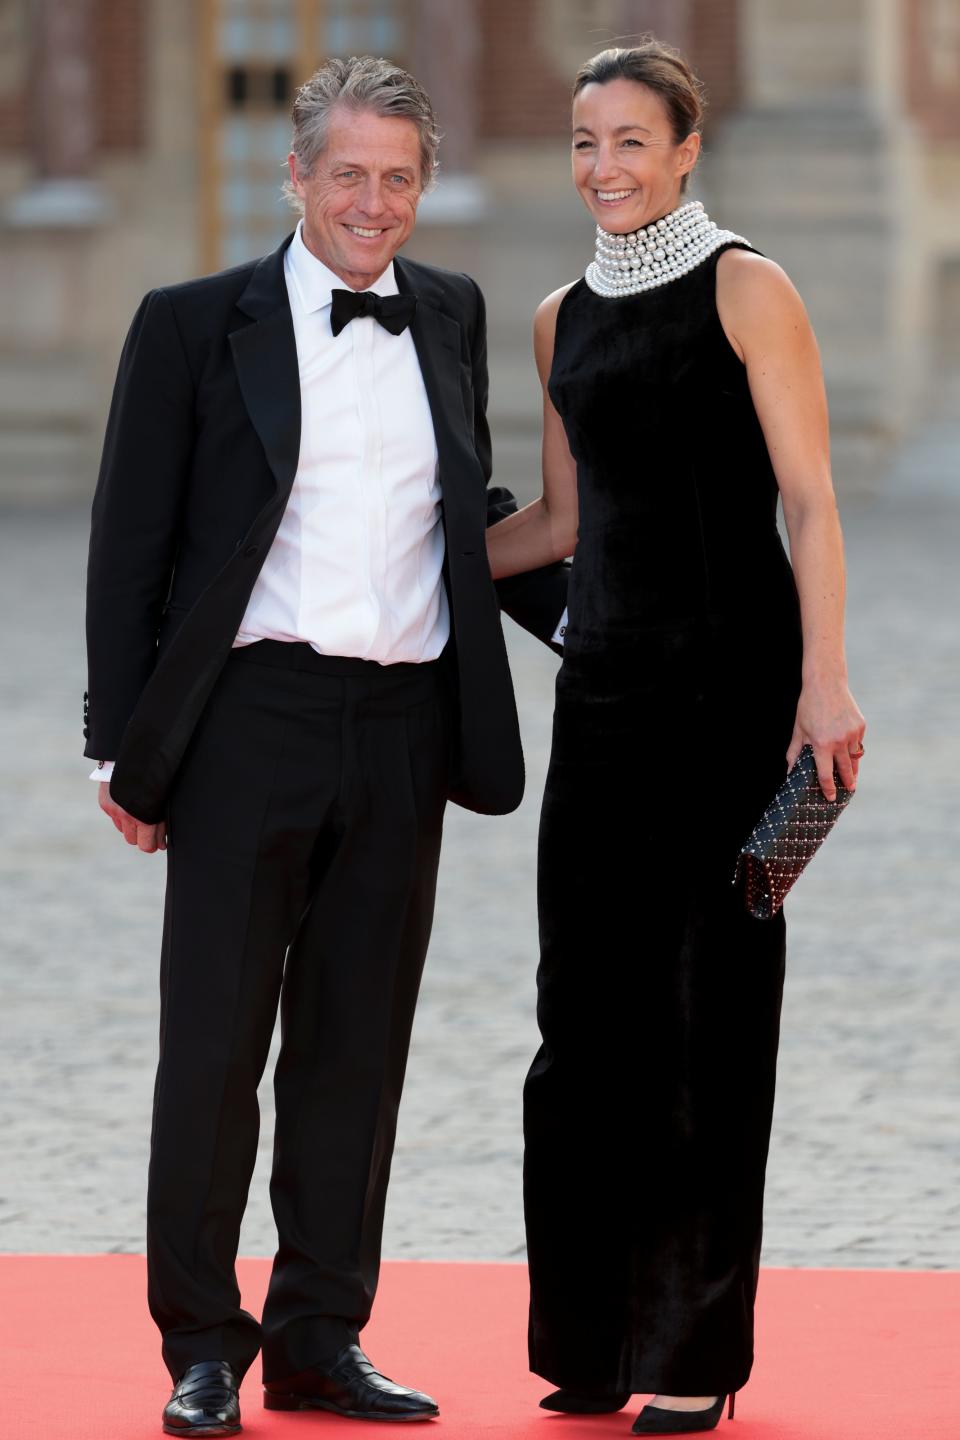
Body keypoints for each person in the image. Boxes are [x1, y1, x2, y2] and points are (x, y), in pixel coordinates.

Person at [84, 55, 566, 1437]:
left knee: (359, 1046)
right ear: (294, 176)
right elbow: (131, 546)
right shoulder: (190, 325)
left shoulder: (454, 313)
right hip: (247, 725)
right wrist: (122, 750)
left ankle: (318, 1336)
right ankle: (198, 1341)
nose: (374, 202)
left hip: (404, 727)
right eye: (347, 174)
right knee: (213, 1046)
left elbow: (461, 512)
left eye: (398, 177)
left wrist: (594, 628)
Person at [485, 40, 866, 1436]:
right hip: (604, 713)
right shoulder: (556, 319)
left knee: (711, 1022)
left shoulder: (750, 287)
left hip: (734, 705)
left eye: (631, 140)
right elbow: (564, 530)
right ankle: (587, 1337)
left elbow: (811, 502)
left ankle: (690, 1346)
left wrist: (824, 687)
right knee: (580, 1024)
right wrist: (404, 542)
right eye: (586, 142)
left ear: (687, 147)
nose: (604, 167)